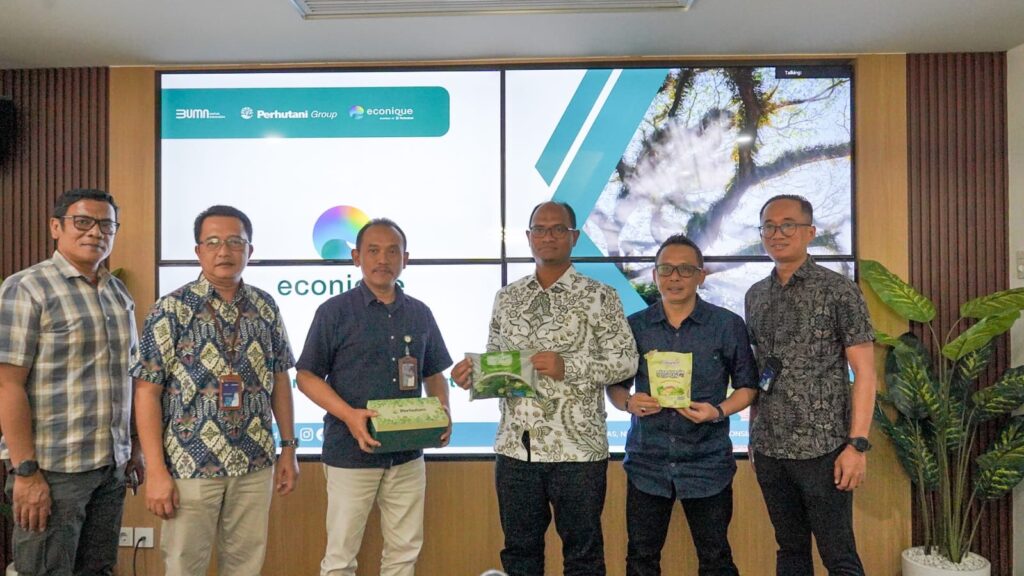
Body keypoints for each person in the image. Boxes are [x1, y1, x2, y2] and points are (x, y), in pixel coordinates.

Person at [452, 201, 639, 576]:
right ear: (528, 237)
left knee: (583, 558)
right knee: (519, 555)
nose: (548, 236)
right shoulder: (508, 297)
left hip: (578, 450)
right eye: (540, 229)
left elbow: (626, 361)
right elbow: (498, 361)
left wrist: (568, 366)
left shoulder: (600, 295)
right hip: (515, 450)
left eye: (557, 229)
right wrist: (473, 375)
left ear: (574, 237)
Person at [131, 205, 299, 576]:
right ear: (198, 251)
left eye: (235, 242)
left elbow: (280, 379)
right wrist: (155, 470)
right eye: (213, 242)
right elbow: (146, 393)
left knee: (245, 567)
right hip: (189, 464)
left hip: (255, 461)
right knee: (184, 566)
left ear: (250, 250)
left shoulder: (265, 306)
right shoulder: (170, 309)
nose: (224, 251)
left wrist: (288, 448)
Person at [295, 218, 452, 576]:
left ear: (405, 259)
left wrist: (442, 410)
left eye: (393, 251)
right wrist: (349, 415)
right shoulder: (334, 312)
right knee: (341, 557)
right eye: (374, 251)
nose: (383, 259)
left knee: (404, 552)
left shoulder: (420, 313)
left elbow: (433, 373)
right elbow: (306, 376)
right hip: (351, 452)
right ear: (356, 257)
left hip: (408, 453)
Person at [0, 188, 143, 576]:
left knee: (97, 570)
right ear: (55, 227)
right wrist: (26, 471)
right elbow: (8, 385)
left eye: (106, 225)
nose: (96, 232)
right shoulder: (27, 288)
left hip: (110, 466)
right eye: (83, 222)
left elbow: (127, 376)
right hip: (52, 470)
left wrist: (134, 445)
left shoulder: (117, 292)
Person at [607, 234, 758, 576]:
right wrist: (629, 403)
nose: (674, 277)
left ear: (700, 275)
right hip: (647, 463)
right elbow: (615, 386)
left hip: (707, 463)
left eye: (685, 270)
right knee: (641, 559)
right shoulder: (635, 326)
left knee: (716, 559)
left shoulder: (726, 325)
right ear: (655, 274)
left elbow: (748, 387)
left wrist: (717, 411)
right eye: (666, 269)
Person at [744, 194, 876, 576]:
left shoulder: (838, 290)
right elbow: (760, 371)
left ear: (810, 232)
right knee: (790, 550)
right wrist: (753, 436)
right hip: (770, 448)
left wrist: (857, 445)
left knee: (839, 556)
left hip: (824, 449)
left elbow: (865, 373)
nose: (777, 233)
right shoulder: (755, 295)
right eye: (769, 226)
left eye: (788, 225)